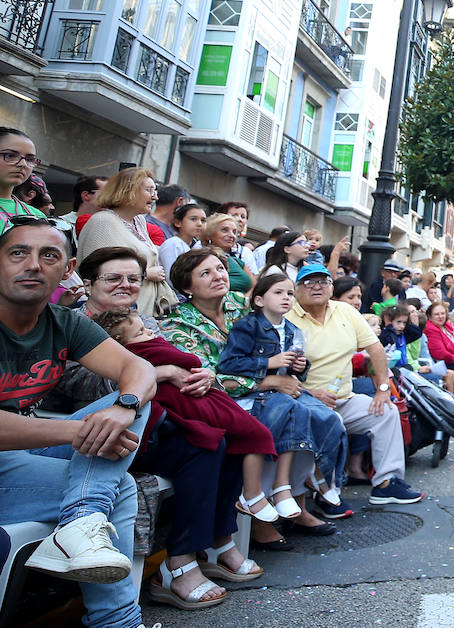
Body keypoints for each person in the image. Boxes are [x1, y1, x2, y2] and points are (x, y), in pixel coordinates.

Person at [0, 217, 155, 628]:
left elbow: (139, 370)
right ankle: (116, 621)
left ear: (67, 270)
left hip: (17, 455)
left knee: (139, 404)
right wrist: (78, 430)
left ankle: (80, 521)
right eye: (18, 253)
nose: (33, 265)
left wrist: (123, 405)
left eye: (48, 255)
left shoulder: (62, 321)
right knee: (120, 486)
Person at [94, 306, 279, 608]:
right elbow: (98, 382)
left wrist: (206, 376)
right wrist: (161, 371)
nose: (125, 285)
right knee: (204, 444)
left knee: (225, 437)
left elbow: (186, 363)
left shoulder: (141, 323)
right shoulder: (82, 328)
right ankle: (178, 561)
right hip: (125, 429)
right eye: (114, 278)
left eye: (132, 278)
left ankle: (219, 541)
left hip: (167, 418)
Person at [218, 272, 350, 522]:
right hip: (259, 393)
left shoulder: (293, 329)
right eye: (278, 293)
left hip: (287, 389)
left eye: (290, 293)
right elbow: (230, 364)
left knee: (329, 417)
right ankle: (281, 486)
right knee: (294, 412)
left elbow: (295, 369)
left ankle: (320, 475)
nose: (286, 298)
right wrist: (269, 362)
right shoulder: (248, 326)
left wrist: (300, 367)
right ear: (258, 300)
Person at [290, 263, 423, 505]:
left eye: (323, 281)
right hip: (303, 401)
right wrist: (311, 394)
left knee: (387, 412)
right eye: (309, 282)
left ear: (331, 288)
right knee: (331, 422)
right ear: (296, 289)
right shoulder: (287, 316)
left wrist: (383, 389)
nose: (317, 286)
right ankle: (327, 494)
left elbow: (375, 349)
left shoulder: (345, 311)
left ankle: (386, 483)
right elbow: (279, 371)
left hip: (344, 398)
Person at [76, 167, 178, 317]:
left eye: (155, 191)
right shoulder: (102, 222)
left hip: (142, 314)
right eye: (149, 190)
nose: (155, 197)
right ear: (128, 191)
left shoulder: (139, 221)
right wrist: (146, 274)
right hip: (114, 319)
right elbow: (93, 272)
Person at [422, 302, 454, 396]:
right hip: (439, 362)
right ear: (430, 316)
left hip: (451, 359)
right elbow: (439, 353)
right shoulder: (431, 329)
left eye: (442, 313)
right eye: (436, 314)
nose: (440, 316)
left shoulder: (447, 325)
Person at [203, 212, 252, 292]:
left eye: (234, 232)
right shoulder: (200, 259)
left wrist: (244, 300)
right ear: (209, 234)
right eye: (224, 230)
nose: (231, 235)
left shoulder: (236, 261)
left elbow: (255, 287)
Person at [157, 201, 207, 273]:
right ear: (178, 223)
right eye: (193, 219)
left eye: (203, 220)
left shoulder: (197, 246)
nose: (199, 224)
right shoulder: (173, 244)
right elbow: (171, 278)